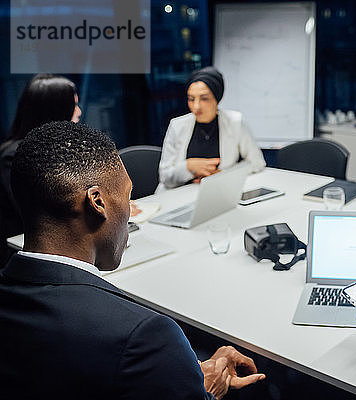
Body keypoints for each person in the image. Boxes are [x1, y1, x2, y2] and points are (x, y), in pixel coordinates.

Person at [0, 121, 265, 399]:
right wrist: (204, 387)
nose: (130, 211)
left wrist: (172, 369)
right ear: (97, 202)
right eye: (128, 196)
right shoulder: (144, 335)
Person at [0, 73, 81, 264]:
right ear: (56, 111)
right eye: (74, 106)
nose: (79, 112)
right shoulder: (14, 157)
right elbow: (42, 215)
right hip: (24, 255)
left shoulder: (61, 149)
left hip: (58, 249)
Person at [157, 66, 266, 191]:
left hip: (217, 192)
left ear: (217, 98)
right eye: (191, 99)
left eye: (204, 99)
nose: (196, 106)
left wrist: (223, 175)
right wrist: (188, 167)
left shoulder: (235, 122)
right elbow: (165, 176)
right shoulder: (177, 125)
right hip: (178, 194)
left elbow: (257, 162)